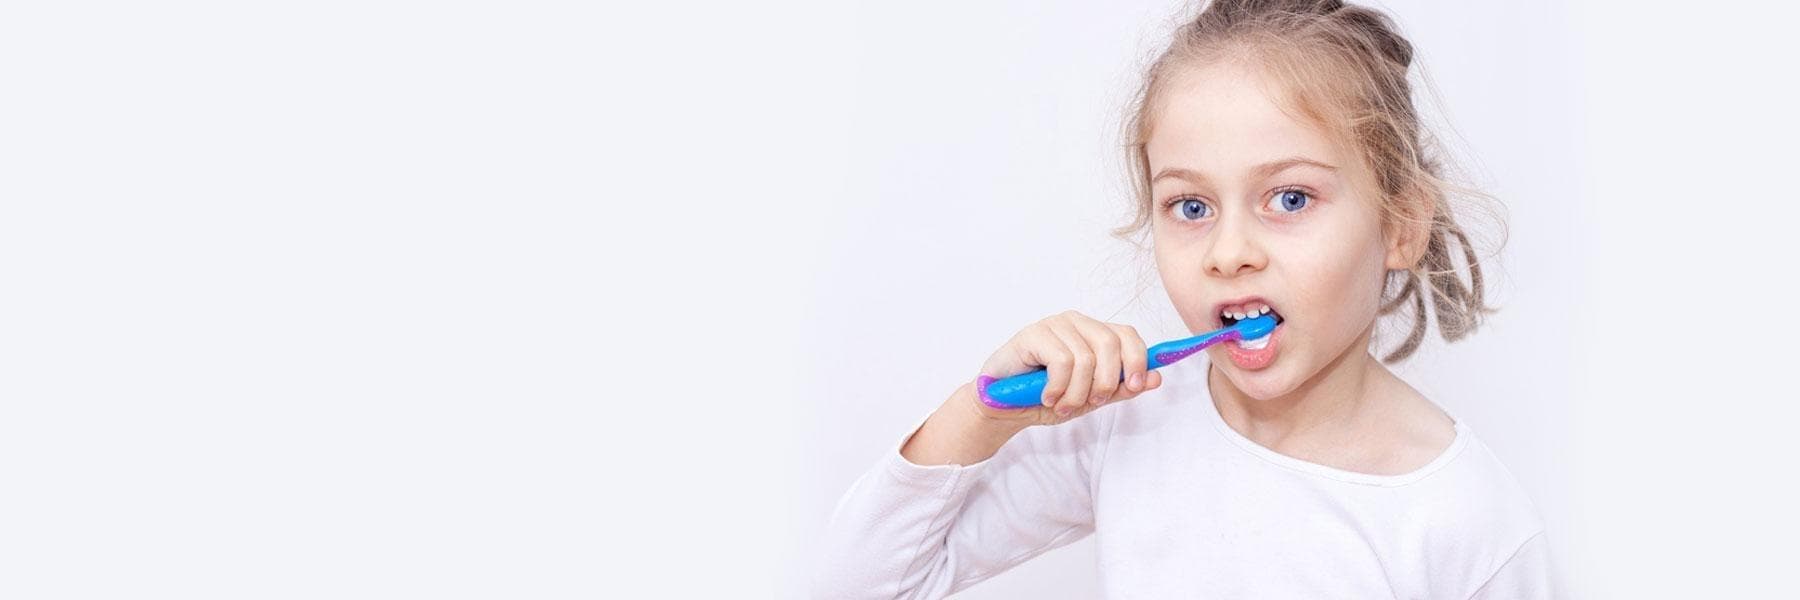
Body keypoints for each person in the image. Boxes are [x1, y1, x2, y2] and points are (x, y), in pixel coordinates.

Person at [814, 0, 1551, 597]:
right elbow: (859, 584)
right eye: (1191, 207)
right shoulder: (1125, 428)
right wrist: (980, 415)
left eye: (1289, 197)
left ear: (1399, 225)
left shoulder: (1466, 523)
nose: (1229, 253)